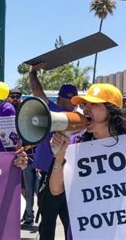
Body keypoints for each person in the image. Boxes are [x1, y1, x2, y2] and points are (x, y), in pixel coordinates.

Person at [49, 83, 126, 238]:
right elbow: (55, 189)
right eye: (84, 104)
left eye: (93, 104)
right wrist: (60, 157)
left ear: (112, 110)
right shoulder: (76, 143)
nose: (86, 109)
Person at [28, 62, 79, 234]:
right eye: (67, 100)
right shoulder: (50, 110)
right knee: (48, 225)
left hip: (69, 178)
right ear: (58, 100)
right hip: (47, 177)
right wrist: (33, 72)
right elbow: (37, 92)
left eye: (73, 101)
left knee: (70, 226)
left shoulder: (80, 119)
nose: (70, 104)